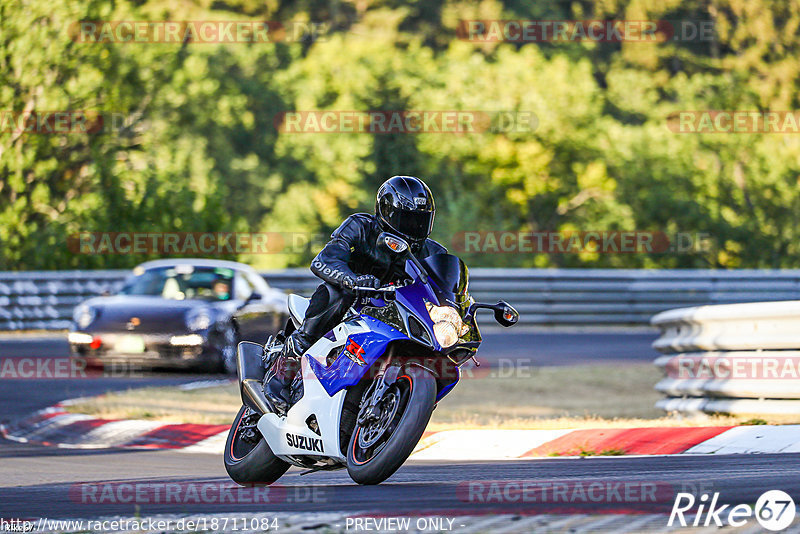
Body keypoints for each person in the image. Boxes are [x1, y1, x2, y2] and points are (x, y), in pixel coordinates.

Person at [265, 175, 446, 406]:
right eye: (407, 219)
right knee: (336, 295)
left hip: (392, 314)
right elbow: (324, 260)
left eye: (420, 220)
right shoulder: (360, 226)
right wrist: (354, 280)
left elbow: (442, 288)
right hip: (350, 304)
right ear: (387, 212)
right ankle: (283, 371)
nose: (414, 227)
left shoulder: (433, 251)